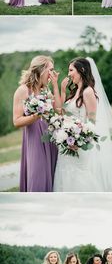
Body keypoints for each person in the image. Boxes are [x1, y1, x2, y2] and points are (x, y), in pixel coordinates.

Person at [53, 57, 112, 191]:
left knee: (79, 176)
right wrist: (62, 90)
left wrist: (78, 140)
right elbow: (60, 112)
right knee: (64, 175)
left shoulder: (88, 92)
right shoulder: (75, 91)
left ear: (81, 70)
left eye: (71, 70)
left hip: (79, 145)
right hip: (67, 143)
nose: (69, 74)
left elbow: (92, 122)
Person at [13, 55, 59, 191]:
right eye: (50, 70)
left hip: (50, 138)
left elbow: (57, 111)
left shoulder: (46, 90)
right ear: (40, 70)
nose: (52, 73)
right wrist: (36, 116)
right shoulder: (23, 90)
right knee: (38, 177)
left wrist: (56, 86)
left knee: (51, 175)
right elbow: (16, 121)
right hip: (34, 140)